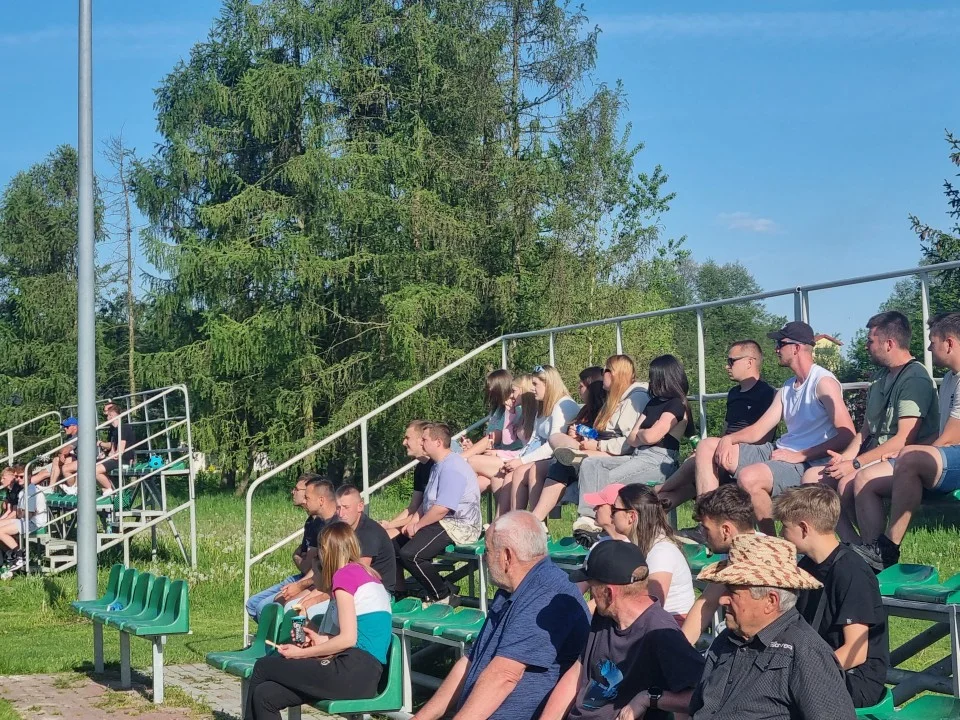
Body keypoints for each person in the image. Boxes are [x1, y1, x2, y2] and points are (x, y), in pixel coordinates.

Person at [412, 511, 590, 720]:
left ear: (506, 556)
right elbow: (470, 660)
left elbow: (504, 676)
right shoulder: (511, 589)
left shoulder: (547, 596)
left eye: (487, 551)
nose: (484, 558)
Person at [695, 321, 855, 535]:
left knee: (749, 478)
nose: (776, 349)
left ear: (796, 348)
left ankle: (769, 543)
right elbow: (758, 430)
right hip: (782, 451)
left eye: (780, 344)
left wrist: (799, 455)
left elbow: (847, 434)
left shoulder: (823, 382)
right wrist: (728, 439)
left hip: (808, 461)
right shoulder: (788, 387)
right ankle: (707, 527)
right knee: (707, 446)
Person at [802, 312, 938, 543]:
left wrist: (855, 463)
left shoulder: (914, 378)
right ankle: (851, 544)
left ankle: (873, 548)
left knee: (849, 481)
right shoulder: (879, 377)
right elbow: (865, 431)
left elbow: (904, 439)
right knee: (812, 479)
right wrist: (844, 458)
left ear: (889, 344)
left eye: (870, 341)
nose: (866, 346)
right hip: (875, 456)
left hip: (902, 458)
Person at [689, 534, 856, 720]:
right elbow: (697, 707)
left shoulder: (806, 653)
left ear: (770, 601)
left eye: (733, 592)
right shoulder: (728, 639)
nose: (722, 600)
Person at [541, 540, 705, 720]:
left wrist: (647, 699)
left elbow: (701, 696)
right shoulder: (606, 616)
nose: (591, 595)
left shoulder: (661, 632)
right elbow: (577, 673)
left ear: (608, 593)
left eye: (592, 587)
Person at [244, 523, 392, 720]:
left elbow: (347, 639)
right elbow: (356, 636)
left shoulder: (345, 576)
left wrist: (301, 653)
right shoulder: (362, 573)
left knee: (264, 666)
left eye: (319, 551)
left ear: (326, 551)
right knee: (265, 695)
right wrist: (319, 638)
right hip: (361, 674)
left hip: (353, 672)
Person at [851, 312, 960, 571]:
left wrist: (909, 455)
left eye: (933, 342)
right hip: (950, 456)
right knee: (864, 479)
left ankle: (888, 548)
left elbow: (952, 437)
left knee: (909, 458)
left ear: (949, 343)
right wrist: (908, 453)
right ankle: (871, 558)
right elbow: (943, 434)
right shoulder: (950, 378)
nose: (929, 348)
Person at [774, 486, 889, 708]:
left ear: (804, 528)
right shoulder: (807, 566)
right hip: (820, 665)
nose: (781, 534)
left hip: (854, 678)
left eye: (784, 527)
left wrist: (801, 675)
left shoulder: (852, 571)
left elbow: (855, 652)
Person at [571, 355, 693, 532]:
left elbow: (650, 436)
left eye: (652, 376)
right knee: (591, 464)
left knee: (608, 480)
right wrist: (645, 434)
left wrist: (643, 433)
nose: (650, 381)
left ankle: (600, 523)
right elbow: (632, 438)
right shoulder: (653, 403)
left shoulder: (677, 405)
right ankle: (587, 517)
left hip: (659, 461)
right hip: (639, 455)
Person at [657, 341, 776, 510]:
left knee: (699, 458)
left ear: (750, 362)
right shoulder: (733, 393)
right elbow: (725, 431)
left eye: (731, 361)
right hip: (725, 447)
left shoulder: (768, 393)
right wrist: (715, 448)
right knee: (696, 464)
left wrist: (717, 449)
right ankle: (655, 505)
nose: (726, 366)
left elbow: (763, 437)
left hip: (746, 453)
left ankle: (664, 493)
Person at [532, 355, 651, 522]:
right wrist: (584, 436)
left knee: (570, 464)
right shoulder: (614, 399)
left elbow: (629, 442)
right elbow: (602, 432)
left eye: (605, 371)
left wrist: (598, 445)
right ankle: (535, 519)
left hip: (617, 455)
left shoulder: (635, 399)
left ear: (615, 374)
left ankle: (545, 519)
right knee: (557, 450)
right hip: (601, 448)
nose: (602, 375)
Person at [393, 422, 481, 604]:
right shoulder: (437, 466)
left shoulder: (452, 466)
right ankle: (441, 587)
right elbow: (426, 504)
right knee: (394, 546)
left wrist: (418, 525)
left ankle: (443, 596)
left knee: (411, 554)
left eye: (424, 439)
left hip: (459, 525)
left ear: (438, 442)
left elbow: (442, 508)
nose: (421, 443)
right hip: (440, 521)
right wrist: (412, 522)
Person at [585, 483, 695, 619]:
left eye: (614, 510)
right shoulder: (641, 544)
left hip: (670, 624)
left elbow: (652, 607)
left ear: (631, 517)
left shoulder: (661, 551)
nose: (611, 515)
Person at [245, 475, 336, 621]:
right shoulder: (315, 523)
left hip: (320, 583)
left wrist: (299, 581)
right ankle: (279, 632)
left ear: (320, 500)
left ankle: (283, 633)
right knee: (254, 604)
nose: (304, 500)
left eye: (307, 496)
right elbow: (316, 565)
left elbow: (314, 567)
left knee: (272, 607)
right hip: (313, 579)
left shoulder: (332, 529)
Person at [680, 484, 757, 645]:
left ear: (726, 530)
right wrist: (678, 649)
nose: (704, 535)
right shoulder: (735, 552)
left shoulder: (758, 557)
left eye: (706, 529)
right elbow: (707, 603)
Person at [502, 365, 580, 517]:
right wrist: (518, 459)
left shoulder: (564, 405)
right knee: (512, 474)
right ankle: (514, 521)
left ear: (548, 384)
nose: (532, 389)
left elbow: (553, 444)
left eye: (535, 384)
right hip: (546, 457)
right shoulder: (544, 405)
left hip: (563, 458)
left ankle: (535, 524)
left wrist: (522, 461)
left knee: (527, 471)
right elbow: (534, 439)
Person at [334, 484, 396, 593]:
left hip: (379, 591)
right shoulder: (345, 528)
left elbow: (357, 574)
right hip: (358, 585)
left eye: (346, 507)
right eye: (338, 508)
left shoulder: (368, 532)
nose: (341, 514)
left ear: (360, 506)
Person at [380, 420, 433, 541]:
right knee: (383, 538)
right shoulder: (420, 468)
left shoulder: (435, 466)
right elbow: (413, 507)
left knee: (387, 541)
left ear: (421, 440)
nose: (404, 442)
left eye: (407, 438)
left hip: (428, 523)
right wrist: (387, 525)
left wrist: (390, 525)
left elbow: (424, 512)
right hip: (417, 520)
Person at [0, 464, 48, 577]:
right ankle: (11, 554)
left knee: (1, 532)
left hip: (35, 523)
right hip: (25, 520)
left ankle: (20, 555)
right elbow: (20, 513)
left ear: (29, 476)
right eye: (17, 477)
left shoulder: (32, 491)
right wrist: (22, 512)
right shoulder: (23, 491)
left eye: (21, 476)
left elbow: (28, 515)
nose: (18, 479)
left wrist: (22, 512)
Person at [95, 402, 138, 493]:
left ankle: (110, 490)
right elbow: (113, 450)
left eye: (108, 415)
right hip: (116, 459)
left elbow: (119, 452)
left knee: (95, 470)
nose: (106, 418)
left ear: (111, 415)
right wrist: (105, 455)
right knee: (89, 467)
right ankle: (107, 491)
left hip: (123, 460)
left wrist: (110, 456)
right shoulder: (115, 430)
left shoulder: (123, 428)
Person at [49, 416, 80, 493]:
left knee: (66, 463)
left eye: (67, 427)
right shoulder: (69, 437)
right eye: (64, 427)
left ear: (74, 427)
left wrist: (62, 453)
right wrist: (61, 454)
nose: (65, 428)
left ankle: (73, 488)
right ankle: (51, 488)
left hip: (89, 460)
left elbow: (66, 450)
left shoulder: (78, 435)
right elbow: (61, 450)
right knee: (56, 460)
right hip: (78, 458)